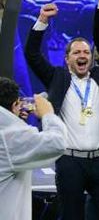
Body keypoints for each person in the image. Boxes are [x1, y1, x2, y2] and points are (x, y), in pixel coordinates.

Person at [24, 3, 99, 219]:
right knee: (71, 216)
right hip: (70, 161)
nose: (82, 55)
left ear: (91, 58)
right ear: (67, 59)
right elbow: (32, 54)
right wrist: (42, 21)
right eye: (76, 52)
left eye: (86, 52)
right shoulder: (57, 78)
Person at [0, 79, 66, 219]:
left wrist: (16, 121)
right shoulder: (11, 137)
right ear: (15, 104)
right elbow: (57, 143)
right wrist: (48, 114)